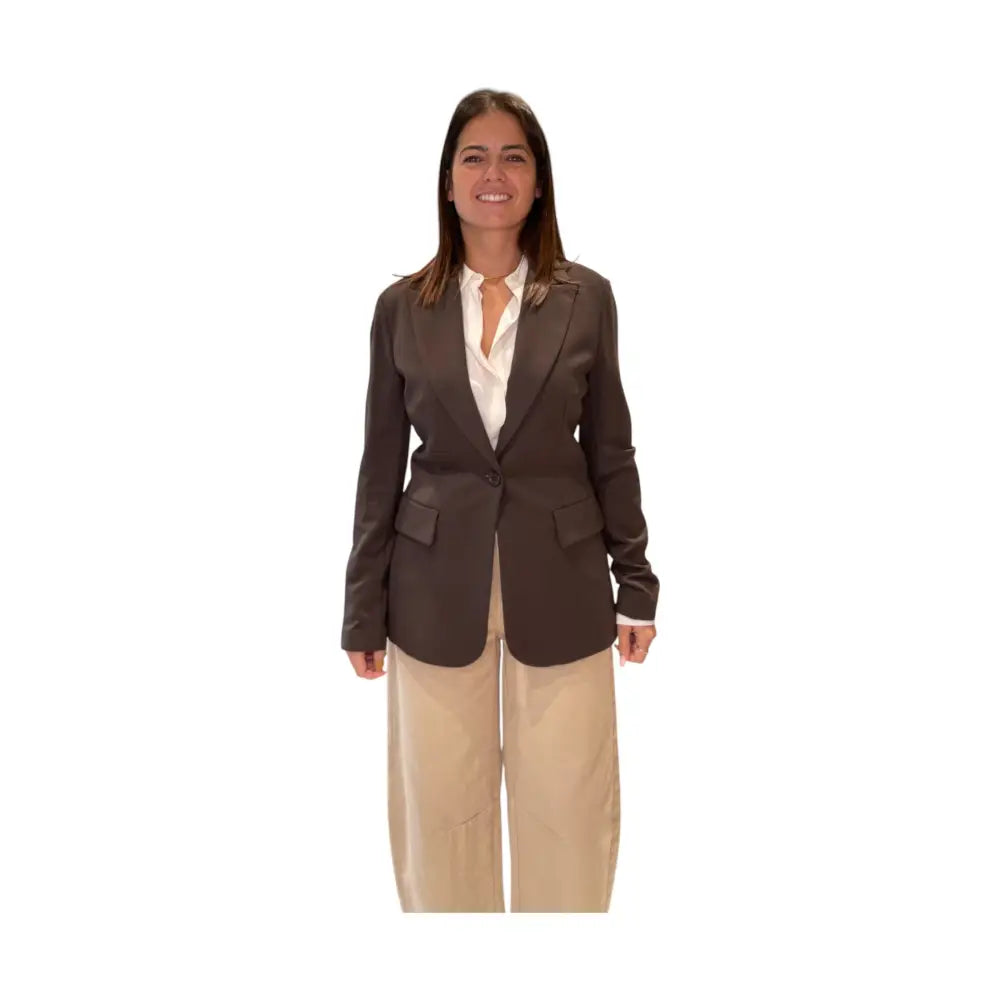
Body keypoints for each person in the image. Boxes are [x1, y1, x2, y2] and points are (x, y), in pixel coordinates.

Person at [341, 89, 659, 912]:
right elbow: (380, 466)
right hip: (430, 588)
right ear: (447, 182)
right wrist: (361, 608)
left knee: (569, 810)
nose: (494, 173)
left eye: (514, 157)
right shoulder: (400, 309)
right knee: (441, 811)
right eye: (474, 157)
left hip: (563, 581)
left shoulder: (587, 298)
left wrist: (637, 584)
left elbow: (611, 449)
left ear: (539, 180)